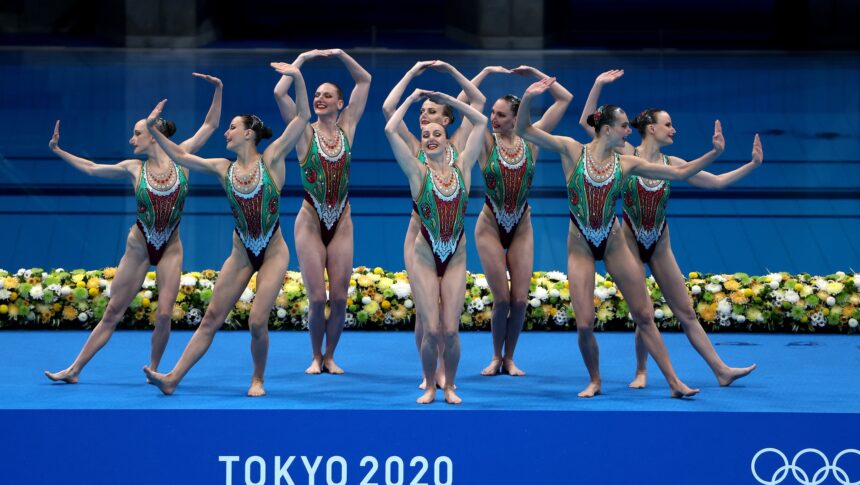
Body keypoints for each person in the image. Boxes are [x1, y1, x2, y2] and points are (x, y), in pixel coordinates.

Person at [516, 77, 725, 398]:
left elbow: (681, 173)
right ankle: (595, 379)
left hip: (612, 241)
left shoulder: (627, 163)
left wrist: (713, 153)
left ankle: (674, 382)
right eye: (625, 126)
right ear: (608, 129)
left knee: (644, 315)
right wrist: (529, 98)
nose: (630, 131)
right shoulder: (572, 150)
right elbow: (525, 131)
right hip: (580, 245)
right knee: (584, 322)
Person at [578, 70, 761, 387]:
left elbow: (715, 182)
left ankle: (720, 370)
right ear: (651, 128)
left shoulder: (671, 163)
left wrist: (750, 165)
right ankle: (641, 371)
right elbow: (588, 125)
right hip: (630, 241)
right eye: (668, 124)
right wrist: (597, 85)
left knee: (686, 312)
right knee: (643, 312)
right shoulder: (626, 155)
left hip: (660, 244)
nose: (674, 129)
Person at [143, 62, 310, 396]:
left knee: (257, 321)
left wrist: (298, 76)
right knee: (211, 318)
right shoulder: (223, 168)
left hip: (273, 250)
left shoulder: (272, 159)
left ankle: (258, 379)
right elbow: (179, 154)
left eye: (232, 128)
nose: (226, 133)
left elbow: (303, 118)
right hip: (240, 252)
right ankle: (173, 378)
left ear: (248, 133)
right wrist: (153, 129)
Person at [44, 73, 223, 384]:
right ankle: (74, 370)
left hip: (170, 247)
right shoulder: (133, 168)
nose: (131, 139)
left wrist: (218, 89)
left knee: (165, 314)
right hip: (139, 247)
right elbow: (91, 168)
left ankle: (154, 370)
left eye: (137, 133)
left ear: (153, 135)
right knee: (113, 312)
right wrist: (59, 150)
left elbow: (210, 126)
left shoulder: (182, 158)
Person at [382, 60, 485, 388]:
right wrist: (412, 76)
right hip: (420, 230)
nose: (424, 117)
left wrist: (456, 75)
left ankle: (446, 372)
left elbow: (478, 105)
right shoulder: (415, 149)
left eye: (431, 112)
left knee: (447, 319)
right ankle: (432, 374)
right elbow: (387, 109)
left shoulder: (459, 149)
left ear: (447, 119)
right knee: (426, 316)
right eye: (422, 113)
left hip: (454, 237)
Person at [465, 65, 573, 377]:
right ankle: (495, 357)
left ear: (516, 118)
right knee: (501, 300)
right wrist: (482, 73)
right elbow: (467, 105)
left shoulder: (532, 140)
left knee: (521, 300)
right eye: (493, 113)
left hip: (521, 225)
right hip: (489, 226)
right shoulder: (485, 142)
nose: (492, 119)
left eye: (500, 115)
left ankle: (510, 358)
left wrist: (538, 75)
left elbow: (564, 100)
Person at [272, 48, 371, 375]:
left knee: (340, 298)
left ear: (340, 103)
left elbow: (364, 79)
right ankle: (316, 356)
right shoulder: (304, 132)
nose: (320, 99)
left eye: (327, 95)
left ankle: (331, 356)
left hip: (341, 221)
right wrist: (299, 61)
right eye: (316, 95)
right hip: (311, 221)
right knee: (317, 298)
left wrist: (341, 54)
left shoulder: (348, 128)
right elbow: (279, 92)